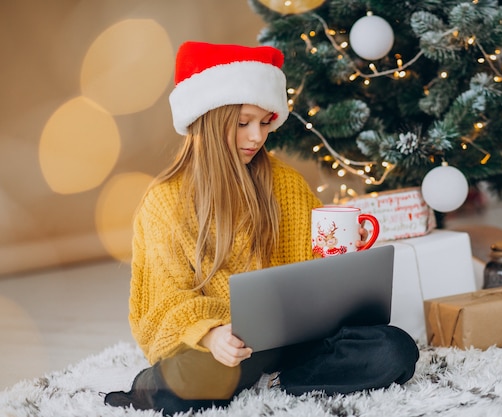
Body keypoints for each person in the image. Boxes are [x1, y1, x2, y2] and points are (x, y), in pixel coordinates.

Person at [104, 41, 419, 415]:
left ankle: (279, 379)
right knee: (180, 387)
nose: (257, 137)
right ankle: (155, 383)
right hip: (230, 346)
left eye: (264, 122)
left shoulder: (284, 182)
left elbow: (315, 267)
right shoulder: (164, 201)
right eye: (242, 123)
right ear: (206, 118)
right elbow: (165, 300)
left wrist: (343, 251)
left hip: (298, 339)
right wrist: (210, 333)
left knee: (395, 350)